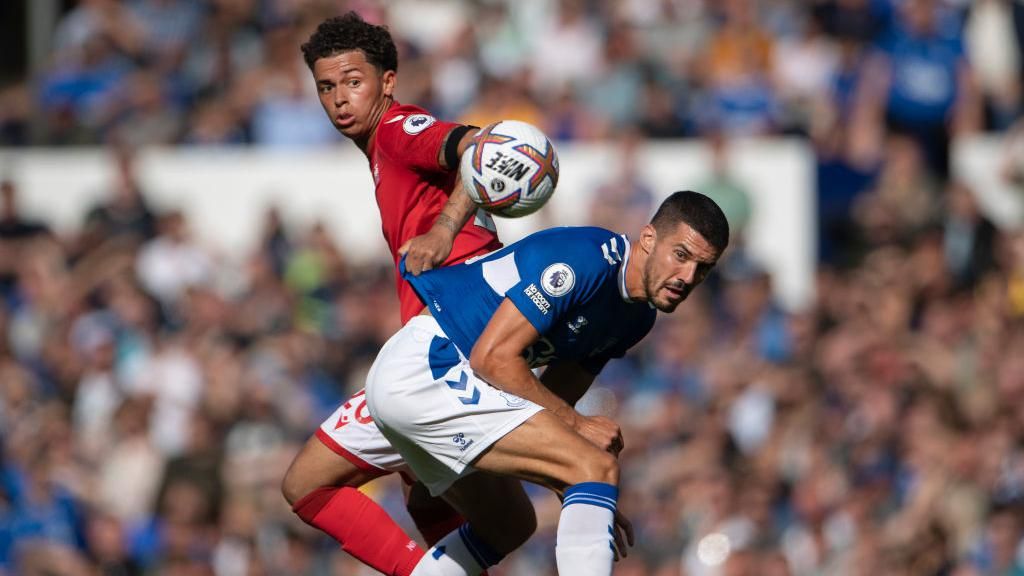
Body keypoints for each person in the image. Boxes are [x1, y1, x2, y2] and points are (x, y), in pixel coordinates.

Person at [355, 191, 729, 575]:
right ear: (648, 238)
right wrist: (582, 453)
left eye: (703, 268)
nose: (687, 278)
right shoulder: (585, 260)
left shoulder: (636, 319)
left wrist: (585, 501)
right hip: (428, 366)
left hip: (441, 381)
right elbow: (493, 359)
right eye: (681, 256)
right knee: (593, 467)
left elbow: (550, 407)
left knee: (511, 526)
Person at [281, 12, 519, 576]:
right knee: (434, 497)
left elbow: (479, 147)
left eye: (353, 81)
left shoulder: (398, 129)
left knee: (305, 485)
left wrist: (442, 230)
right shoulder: (381, 150)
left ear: (387, 81)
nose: (339, 98)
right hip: (465, 337)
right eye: (326, 87)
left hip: (446, 348)